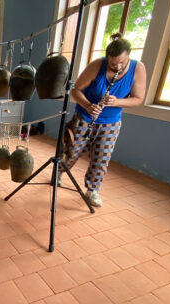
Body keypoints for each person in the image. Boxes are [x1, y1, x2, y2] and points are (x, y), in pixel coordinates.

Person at [58, 32, 146, 207]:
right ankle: (58, 173)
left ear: (129, 55)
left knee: (101, 159)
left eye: (121, 62)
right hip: (84, 117)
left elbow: (138, 99)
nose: (117, 66)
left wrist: (117, 101)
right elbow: (76, 91)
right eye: (113, 63)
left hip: (110, 123)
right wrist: (88, 105)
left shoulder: (138, 69)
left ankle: (92, 190)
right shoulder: (97, 65)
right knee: (70, 152)